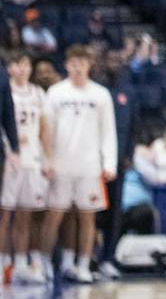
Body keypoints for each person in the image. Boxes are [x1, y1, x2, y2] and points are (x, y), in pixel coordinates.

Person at [40, 46, 116, 284]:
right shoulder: (55, 93)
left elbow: (108, 132)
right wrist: (47, 160)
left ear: (89, 64)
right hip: (60, 166)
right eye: (74, 62)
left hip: (90, 167)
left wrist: (109, 162)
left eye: (83, 62)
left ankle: (81, 265)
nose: (79, 66)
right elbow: (46, 131)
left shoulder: (101, 94)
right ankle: (43, 264)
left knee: (87, 218)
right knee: (54, 216)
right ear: (67, 64)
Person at [0, 51, 47, 286]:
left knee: (26, 215)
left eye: (26, 64)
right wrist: (11, 149)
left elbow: (45, 128)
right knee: (4, 214)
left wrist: (46, 159)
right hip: (9, 159)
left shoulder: (38, 93)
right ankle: (2, 264)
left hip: (32, 160)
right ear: (10, 68)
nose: (22, 68)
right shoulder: (5, 89)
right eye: (17, 64)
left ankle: (21, 263)